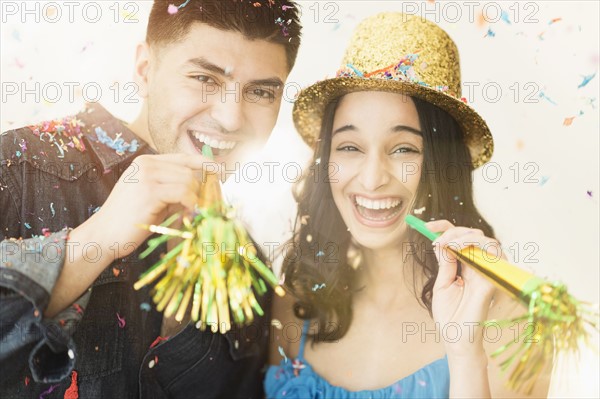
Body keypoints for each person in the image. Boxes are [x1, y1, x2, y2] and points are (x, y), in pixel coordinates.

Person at [0, 0, 301, 397]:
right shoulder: (15, 166)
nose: (231, 119)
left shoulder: (249, 269)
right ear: (145, 69)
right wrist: (94, 243)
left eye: (261, 91)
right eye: (204, 78)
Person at [265, 12, 551, 398]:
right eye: (349, 147)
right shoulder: (290, 310)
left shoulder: (512, 325)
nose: (371, 178)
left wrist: (466, 351)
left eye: (404, 149)